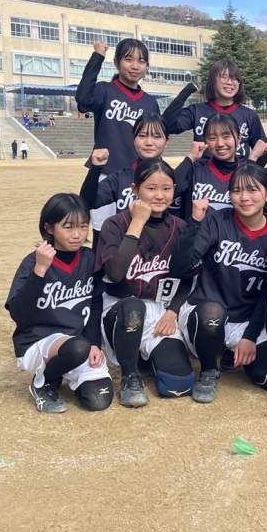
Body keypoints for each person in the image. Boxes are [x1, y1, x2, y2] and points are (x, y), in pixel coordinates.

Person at [169, 165, 267, 414]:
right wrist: (194, 222)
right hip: (208, 312)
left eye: (252, 190)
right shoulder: (217, 219)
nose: (244, 197)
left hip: (249, 318)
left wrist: (249, 335)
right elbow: (180, 268)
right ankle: (209, 370)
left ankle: (234, 355)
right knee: (212, 313)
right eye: (236, 191)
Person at [95, 158, 197, 407]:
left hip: (160, 311)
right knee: (134, 307)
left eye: (166, 188)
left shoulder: (180, 227)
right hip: (120, 307)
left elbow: (187, 278)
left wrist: (172, 313)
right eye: (151, 188)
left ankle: (144, 357)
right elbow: (115, 274)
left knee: (178, 385)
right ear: (135, 189)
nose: (159, 195)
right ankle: (129, 376)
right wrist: (138, 222)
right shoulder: (115, 225)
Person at [5, 194, 112, 413]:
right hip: (37, 343)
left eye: (83, 226)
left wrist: (94, 343)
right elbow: (18, 314)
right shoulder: (33, 262)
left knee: (99, 400)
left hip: (78, 344)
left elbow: (94, 305)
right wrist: (40, 270)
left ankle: (61, 372)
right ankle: (43, 382)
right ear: (49, 228)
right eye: (68, 227)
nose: (77, 234)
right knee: (77, 347)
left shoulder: (89, 258)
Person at [80, 112, 179, 241]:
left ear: (166, 142)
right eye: (142, 136)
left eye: (156, 136)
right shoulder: (120, 177)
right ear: (133, 139)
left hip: (163, 248)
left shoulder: (175, 178)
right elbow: (87, 202)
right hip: (126, 247)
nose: (149, 142)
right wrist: (95, 169)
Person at [75, 39, 159, 179]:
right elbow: (83, 98)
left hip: (139, 175)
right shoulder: (105, 91)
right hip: (105, 172)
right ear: (116, 62)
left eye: (141, 61)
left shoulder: (150, 102)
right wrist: (98, 56)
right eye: (128, 59)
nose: (135, 66)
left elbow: (156, 140)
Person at [162, 59, 267, 165]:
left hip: (238, 174)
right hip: (203, 174)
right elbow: (166, 126)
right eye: (223, 77)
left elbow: (261, 154)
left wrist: (247, 172)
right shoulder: (197, 111)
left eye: (235, 78)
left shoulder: (249, 115)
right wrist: (186, 92)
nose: (230, 82)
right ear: (212, 80)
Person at [174, 113, 243, 216]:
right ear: (205, 141)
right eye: (212, 138)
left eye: (226, 137)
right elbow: (171, 189)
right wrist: (191, 158)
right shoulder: (195, 169)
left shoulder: (246, 174)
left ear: (238, 138)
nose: (220, 143)